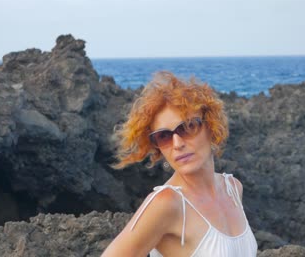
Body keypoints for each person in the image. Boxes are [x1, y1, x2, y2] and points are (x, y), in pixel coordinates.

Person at [102, 71, 257, 257]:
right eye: (164, 136)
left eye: (188, 127)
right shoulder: (166, 203)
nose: (177, 144)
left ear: (211, 127)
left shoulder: (233, 188)